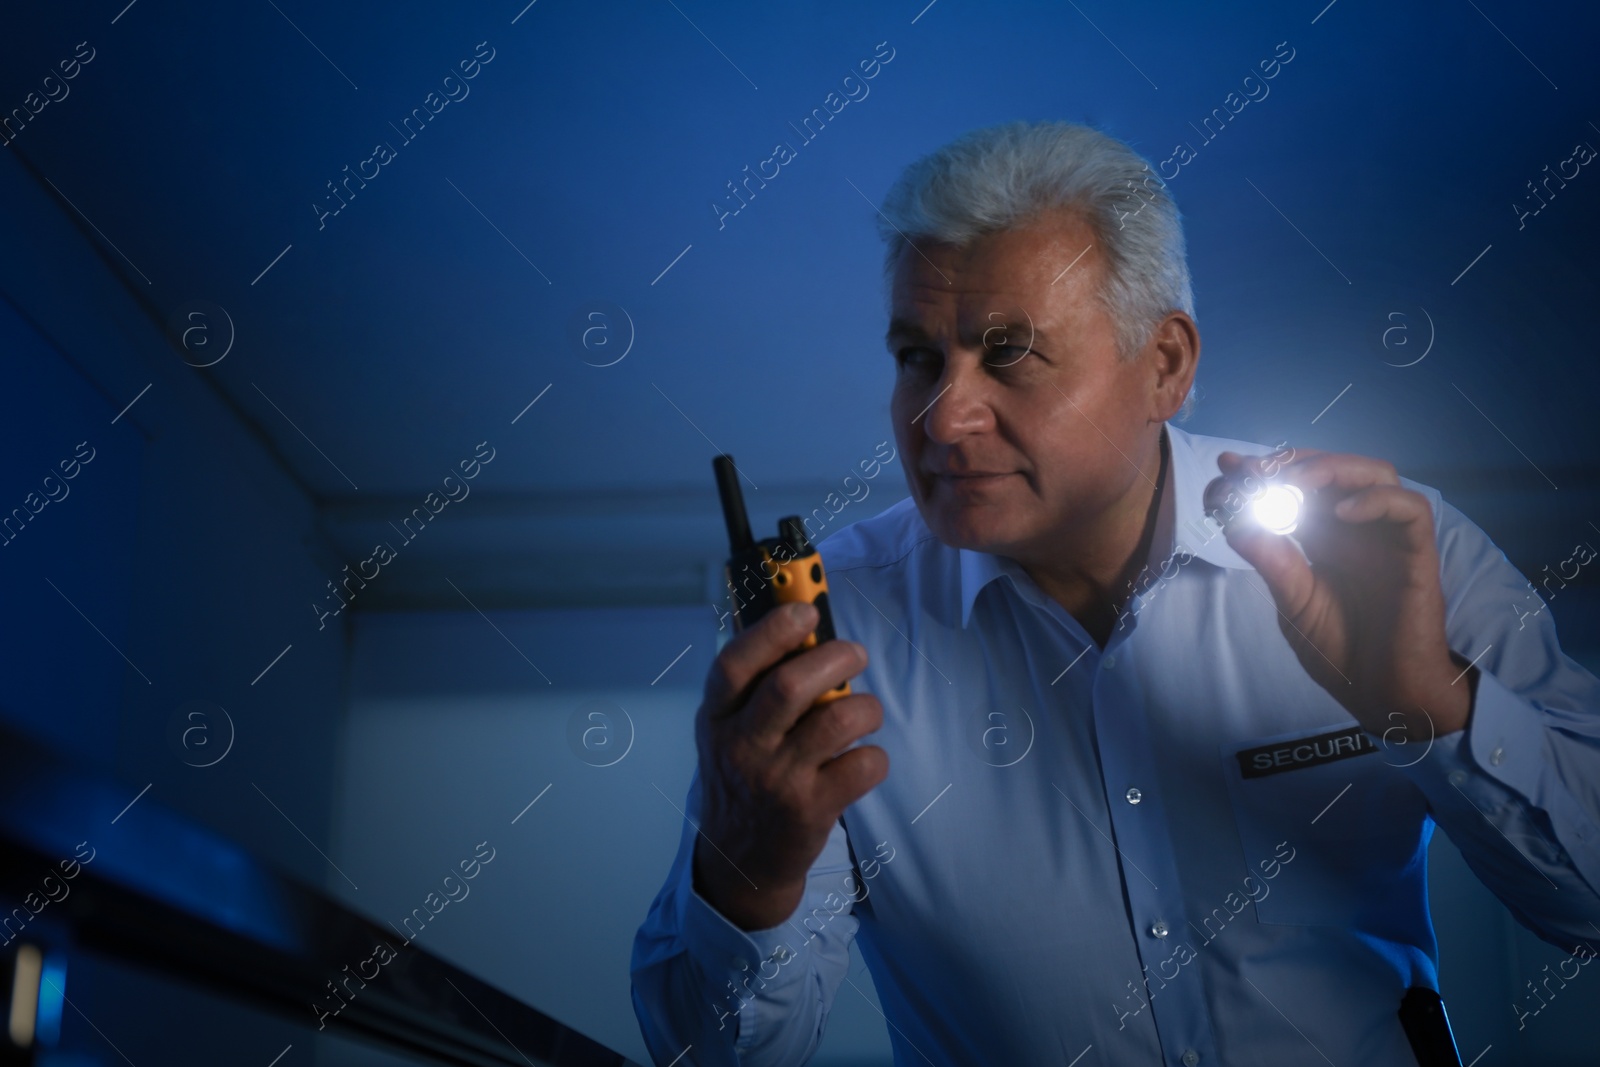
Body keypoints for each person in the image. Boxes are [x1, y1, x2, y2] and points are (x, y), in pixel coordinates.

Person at [629, 120, 1600, 1066]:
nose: (944, 414)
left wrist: (1435, 706)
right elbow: (701, 1054)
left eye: (1007, 351)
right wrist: (749, 870)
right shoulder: (829, 626)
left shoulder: (1383, 553)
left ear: (1165, 365)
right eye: (918, 355)